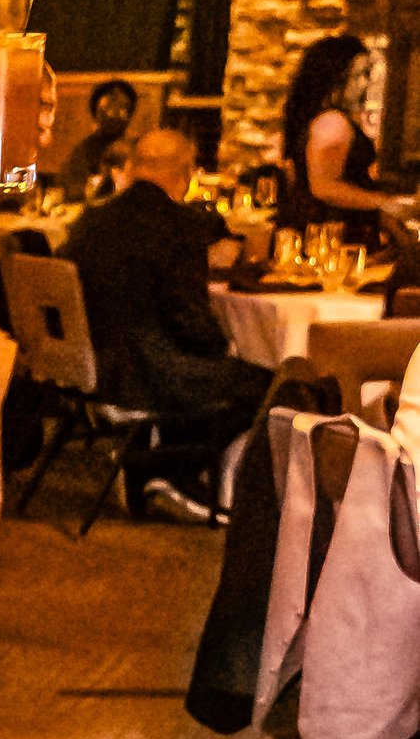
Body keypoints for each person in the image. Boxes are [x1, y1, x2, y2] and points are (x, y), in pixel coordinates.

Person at [67, 125, 266, 514]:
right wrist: (225, 346)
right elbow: (189, 323)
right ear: (188, 172)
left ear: (135, 167)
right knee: (265, 383)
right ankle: (155, 469)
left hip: (92, 365)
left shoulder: (91, 221)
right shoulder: (178, 227)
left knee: (209, 369)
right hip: (144, 376)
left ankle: (164, 472)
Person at [278, 32, 387, 241]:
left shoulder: (316, 118)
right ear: (337, 78)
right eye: (361, 75)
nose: (366, 83)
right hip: (333, 234)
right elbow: (324, 187)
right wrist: (385, 203)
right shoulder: (333, 122)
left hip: (315, 230)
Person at [54, 76, 139, 203]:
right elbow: (71, 190)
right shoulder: (82, 152)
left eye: (123, 107)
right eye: (107, 109)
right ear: (96, 114)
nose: (113, 114)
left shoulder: (138, 150)